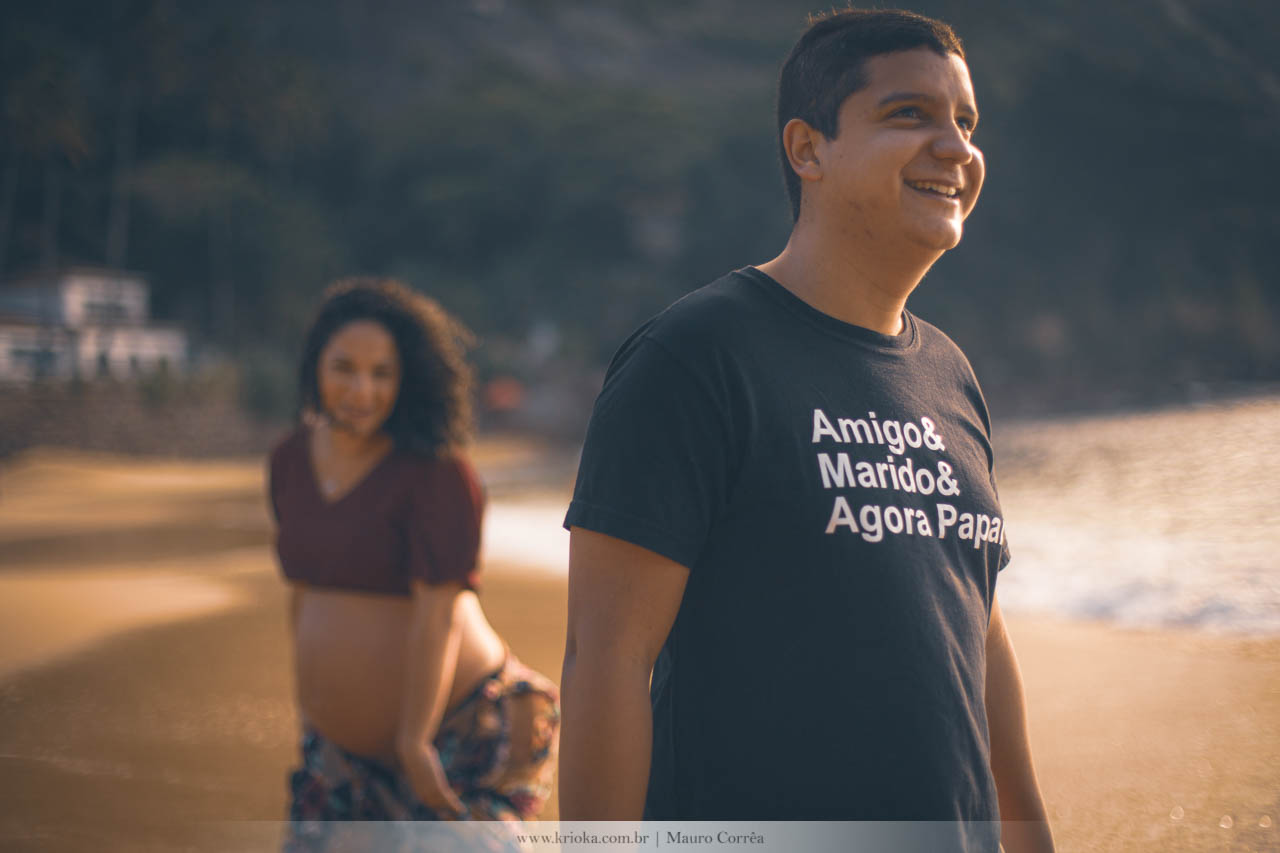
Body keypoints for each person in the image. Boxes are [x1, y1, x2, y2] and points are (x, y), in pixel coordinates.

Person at [560, 8, 1053, 852]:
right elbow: (607, 659)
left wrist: (1030, 834)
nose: (956, 148)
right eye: (909, 114)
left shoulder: (949, 374)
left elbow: (979, 623)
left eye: (965, 121)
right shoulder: (695, 358)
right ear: (807, 148)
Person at [267, 279, 558, 847]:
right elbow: (303, 590)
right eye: (344, 368)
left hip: (459, 733)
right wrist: (314, 708)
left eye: (382, 374)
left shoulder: (436, 471)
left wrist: (413, 739)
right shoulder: (289, 460)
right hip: (338, 754)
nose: (361, 390)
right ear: (314, 365)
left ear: (406, 382)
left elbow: (439, 614)